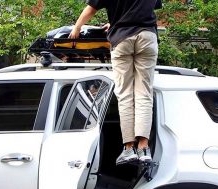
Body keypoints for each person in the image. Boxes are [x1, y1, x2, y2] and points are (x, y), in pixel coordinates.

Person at [69, 0, 162, 165]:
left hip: (122, 38)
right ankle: (144, 148)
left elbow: (91, 9)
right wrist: (115, 22)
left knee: (125, 93)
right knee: (144, 94)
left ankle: (128, 149)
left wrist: (77, 28)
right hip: (148, 37)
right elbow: (140, 10)